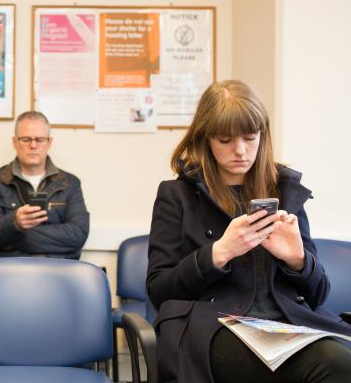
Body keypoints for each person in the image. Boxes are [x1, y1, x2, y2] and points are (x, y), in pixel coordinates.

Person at [147, 80, 351, 383]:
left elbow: (318, 294)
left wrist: (297, 259)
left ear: (262, 136)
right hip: (214, 329)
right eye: (225, 139)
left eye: (249, 137)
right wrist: (219, 253)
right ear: (205, 139)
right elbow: (159, 290)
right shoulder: (177, 195)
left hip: (284, 326)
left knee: (341, 362)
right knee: (325, 366)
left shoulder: (284, 191)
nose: (240, 151)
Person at [0, 111, 89, 260]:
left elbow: (78, 235)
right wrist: (14, 222)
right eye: (26, 139)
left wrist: (13, 237)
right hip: (7, 274)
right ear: (15, 142)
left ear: (49, 142)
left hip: (55, 275)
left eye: (40, 139)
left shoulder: (70, 183)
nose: (33, 145)